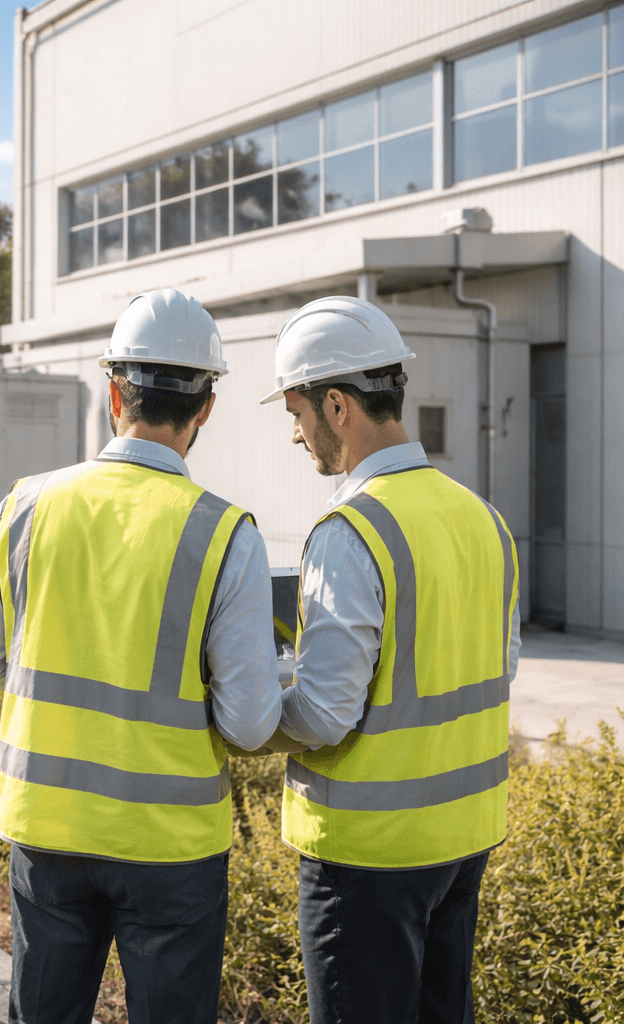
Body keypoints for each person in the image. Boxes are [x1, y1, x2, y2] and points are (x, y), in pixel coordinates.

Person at [0, 288, 282, 1024]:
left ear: (113, 394)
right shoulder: (227, 535)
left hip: (48, 825)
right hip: (171, 847)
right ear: (206, 408)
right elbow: (254, 724)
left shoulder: (24, 508)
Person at [260, 296, 520, 1024]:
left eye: (296, 412)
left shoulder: (350, 532)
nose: (295, 434)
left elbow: (323, 711)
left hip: (367, 857)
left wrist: (249, 712)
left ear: (337, 405)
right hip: (463, 841)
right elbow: (498, 668)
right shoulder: (483, 519)